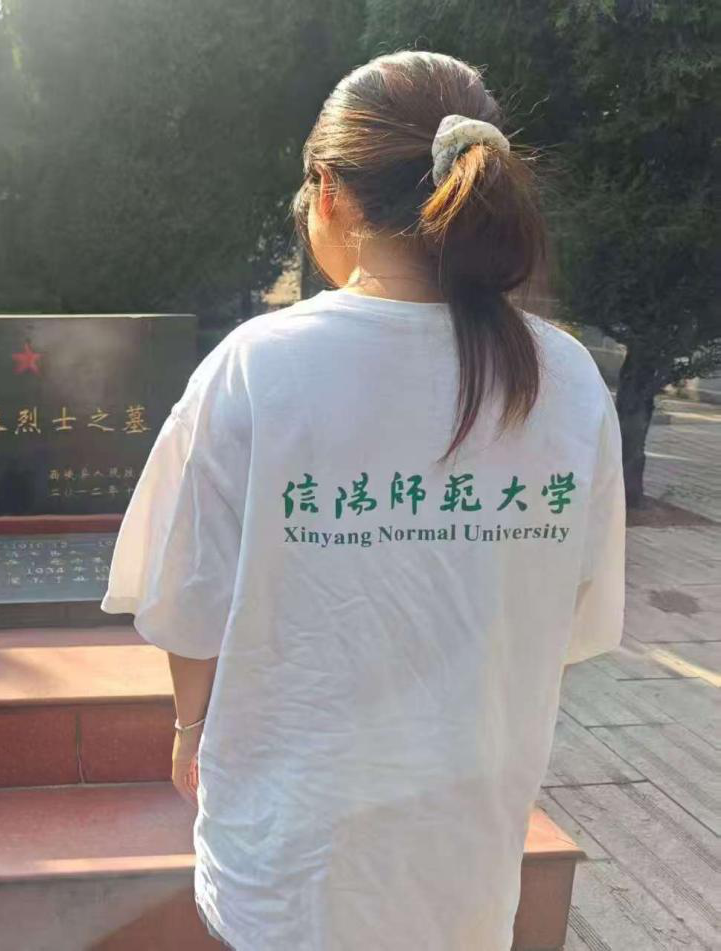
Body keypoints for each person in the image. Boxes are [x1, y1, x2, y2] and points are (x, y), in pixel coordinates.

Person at [100, 51, 625, 950]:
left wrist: (191, 726)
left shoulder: (259, 365)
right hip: (466, 841)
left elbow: (187, 599)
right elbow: (572, 613)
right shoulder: (565, 377)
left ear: (328, 190)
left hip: (296, 849)